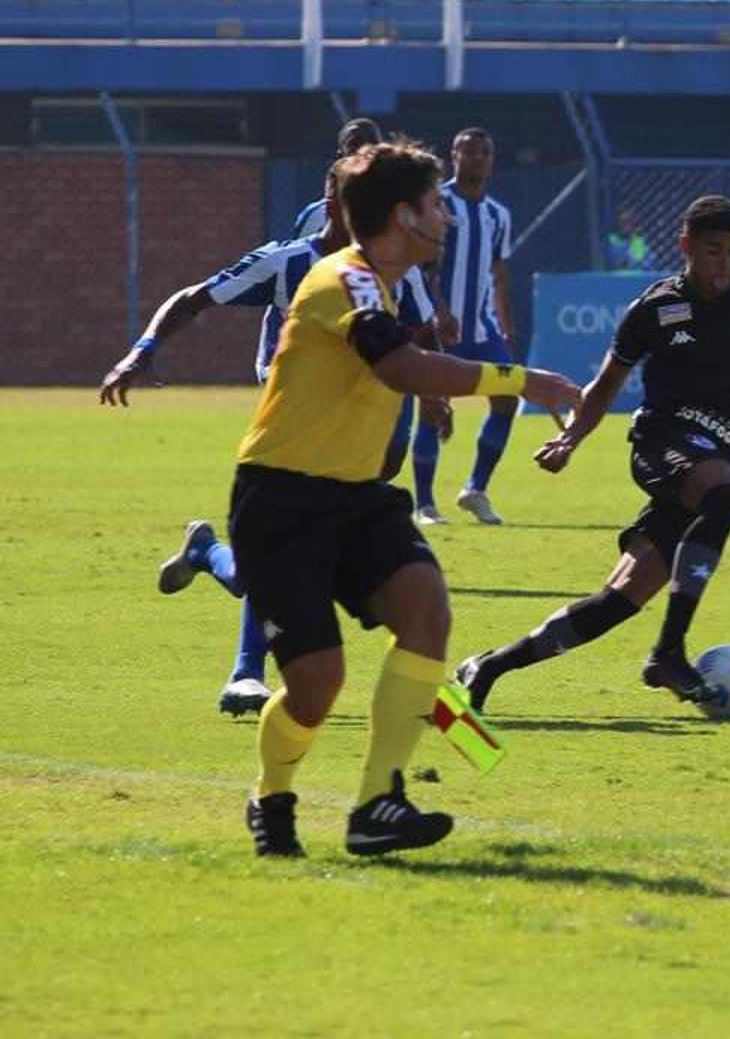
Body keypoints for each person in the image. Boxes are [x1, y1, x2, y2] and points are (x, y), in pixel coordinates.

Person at [231, 139, 579, 858]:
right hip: (282, 502)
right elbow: (401, 368)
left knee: (426, 610)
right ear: (403, 216)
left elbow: (409, 365)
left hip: (357, 497)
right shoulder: (345, 279)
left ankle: (377, 805)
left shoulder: (388, 285)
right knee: (316, 682)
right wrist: (524, 380)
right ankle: (271, 797)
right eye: (433, 206)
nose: (446, 218)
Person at [454, 195, 730, 712]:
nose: (725, 264)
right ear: (686, 246)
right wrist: (571, 439)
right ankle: (668, 652)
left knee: (618, 600)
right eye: (714, 251)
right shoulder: (654, 309)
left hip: (710, 455)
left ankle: (488, 666)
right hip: (661, 444)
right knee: (726, 498)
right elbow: (605, 385)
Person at [98, 163, 445, 717]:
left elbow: (422, 333)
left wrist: (432, 395)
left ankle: (208, 552)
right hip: (293, 448)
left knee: (376, 591)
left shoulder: (396, 273)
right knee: (348, 583)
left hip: (362, 449)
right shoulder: (294, 264)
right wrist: (142, 350)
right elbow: (196, 297)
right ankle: (249, 676)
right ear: (335, 207)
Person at [412, 126, 517, 527]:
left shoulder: (498, 215)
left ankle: (475, 489)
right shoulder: (439, 205)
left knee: (507, 398)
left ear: (491, 160)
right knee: (432, 407)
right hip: (441, 329)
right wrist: (438, 310)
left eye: (483, 153)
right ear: (453, 157)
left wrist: (507, 332)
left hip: (483, 329)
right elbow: (424, 266)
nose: (476, 159)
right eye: (468, 152)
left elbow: (500, 274)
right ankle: (424, 504)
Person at [291, 118, 385, 237]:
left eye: (372, 143)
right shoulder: (316, 216)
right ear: (341, 156)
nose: (364, 151)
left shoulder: (398, 212)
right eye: (355, 144)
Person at [605, 203, 651, 272]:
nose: (626, 226)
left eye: (629, 222)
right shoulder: (611, 240)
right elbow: (617, 262)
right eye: (623, 222)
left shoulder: (639, 241)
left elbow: (645, 263)